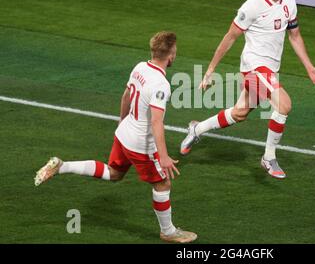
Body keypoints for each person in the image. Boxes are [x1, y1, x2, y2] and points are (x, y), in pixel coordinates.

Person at [34, 31, 197, 243]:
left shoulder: (140, 67)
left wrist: (122, 122)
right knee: (163, 183)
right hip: (141, 143)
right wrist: (164, 156)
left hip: (125, 132)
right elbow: (157, 122)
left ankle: (62, 166)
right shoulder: (161, 85)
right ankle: (168, 231)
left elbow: (126, 95)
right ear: (171, 54)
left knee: (114, 173)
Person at [180, 0, 315, 179]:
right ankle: (268, 157)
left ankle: (197, 129)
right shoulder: (252, 7)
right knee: (284, 105)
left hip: (270, 70)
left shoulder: (290, 2)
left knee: (239, 113)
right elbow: (230, 37)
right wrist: (210, 70)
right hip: (254, 68)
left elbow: (294, 36)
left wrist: (309, 67)